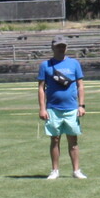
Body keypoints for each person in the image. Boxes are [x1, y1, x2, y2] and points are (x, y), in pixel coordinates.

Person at [38, 38, 86, 180]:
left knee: (73, 140)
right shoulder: (45, 65)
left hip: (71, 108)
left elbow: (80, 85)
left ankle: (76, 170)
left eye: (63, 46)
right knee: (55, 139)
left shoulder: (74, 63)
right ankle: (55, 170)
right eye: (58, 47)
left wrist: (81, 105)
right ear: (52, 48)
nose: (61, 49)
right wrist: (42, 108)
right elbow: (41, 88)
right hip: (53, 108)